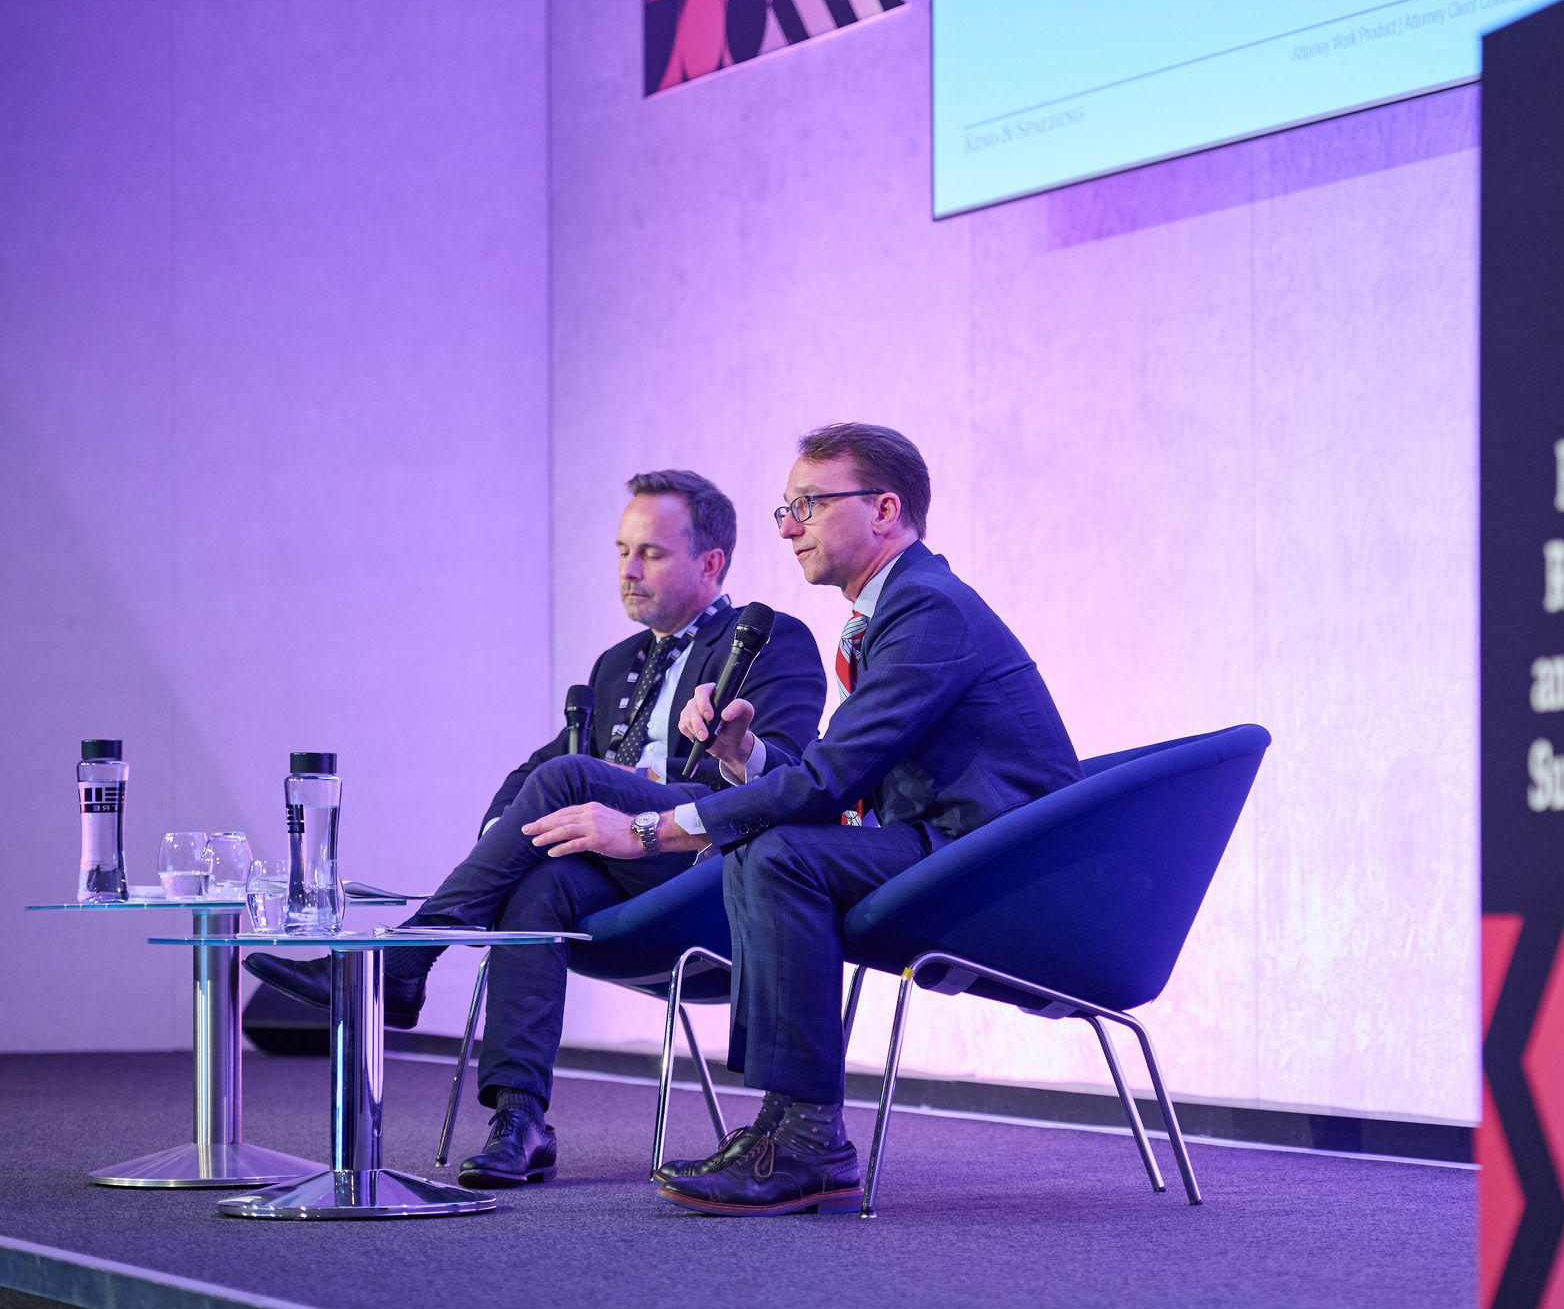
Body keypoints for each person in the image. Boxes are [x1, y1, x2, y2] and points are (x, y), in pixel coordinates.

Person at [519, 423, 1082, 1215]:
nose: (787, 529)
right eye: (786, 508)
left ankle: (808, 1135)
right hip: (952, 846)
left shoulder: (929, 609)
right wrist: (743, 754)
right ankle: (787, 1123)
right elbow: (843, 775)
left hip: (1004, 866)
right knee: (769, 847)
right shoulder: (896, 609)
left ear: (884, 510)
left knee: (780, 854)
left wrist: (653, 830)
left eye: (809, 505)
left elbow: (831, 779)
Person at [245, 469, 826, 1187]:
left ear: (711, 563)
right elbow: (533, 771)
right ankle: (519, 1120)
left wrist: (638, 791)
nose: (628, 569)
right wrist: (508, 834)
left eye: (651, 553)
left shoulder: (770, 641)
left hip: (710, 871)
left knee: (570, 777)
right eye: (622, 551)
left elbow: (782, 779)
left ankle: (407, 958)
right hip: (620, 876)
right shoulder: (617, 664)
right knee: (539, 884)